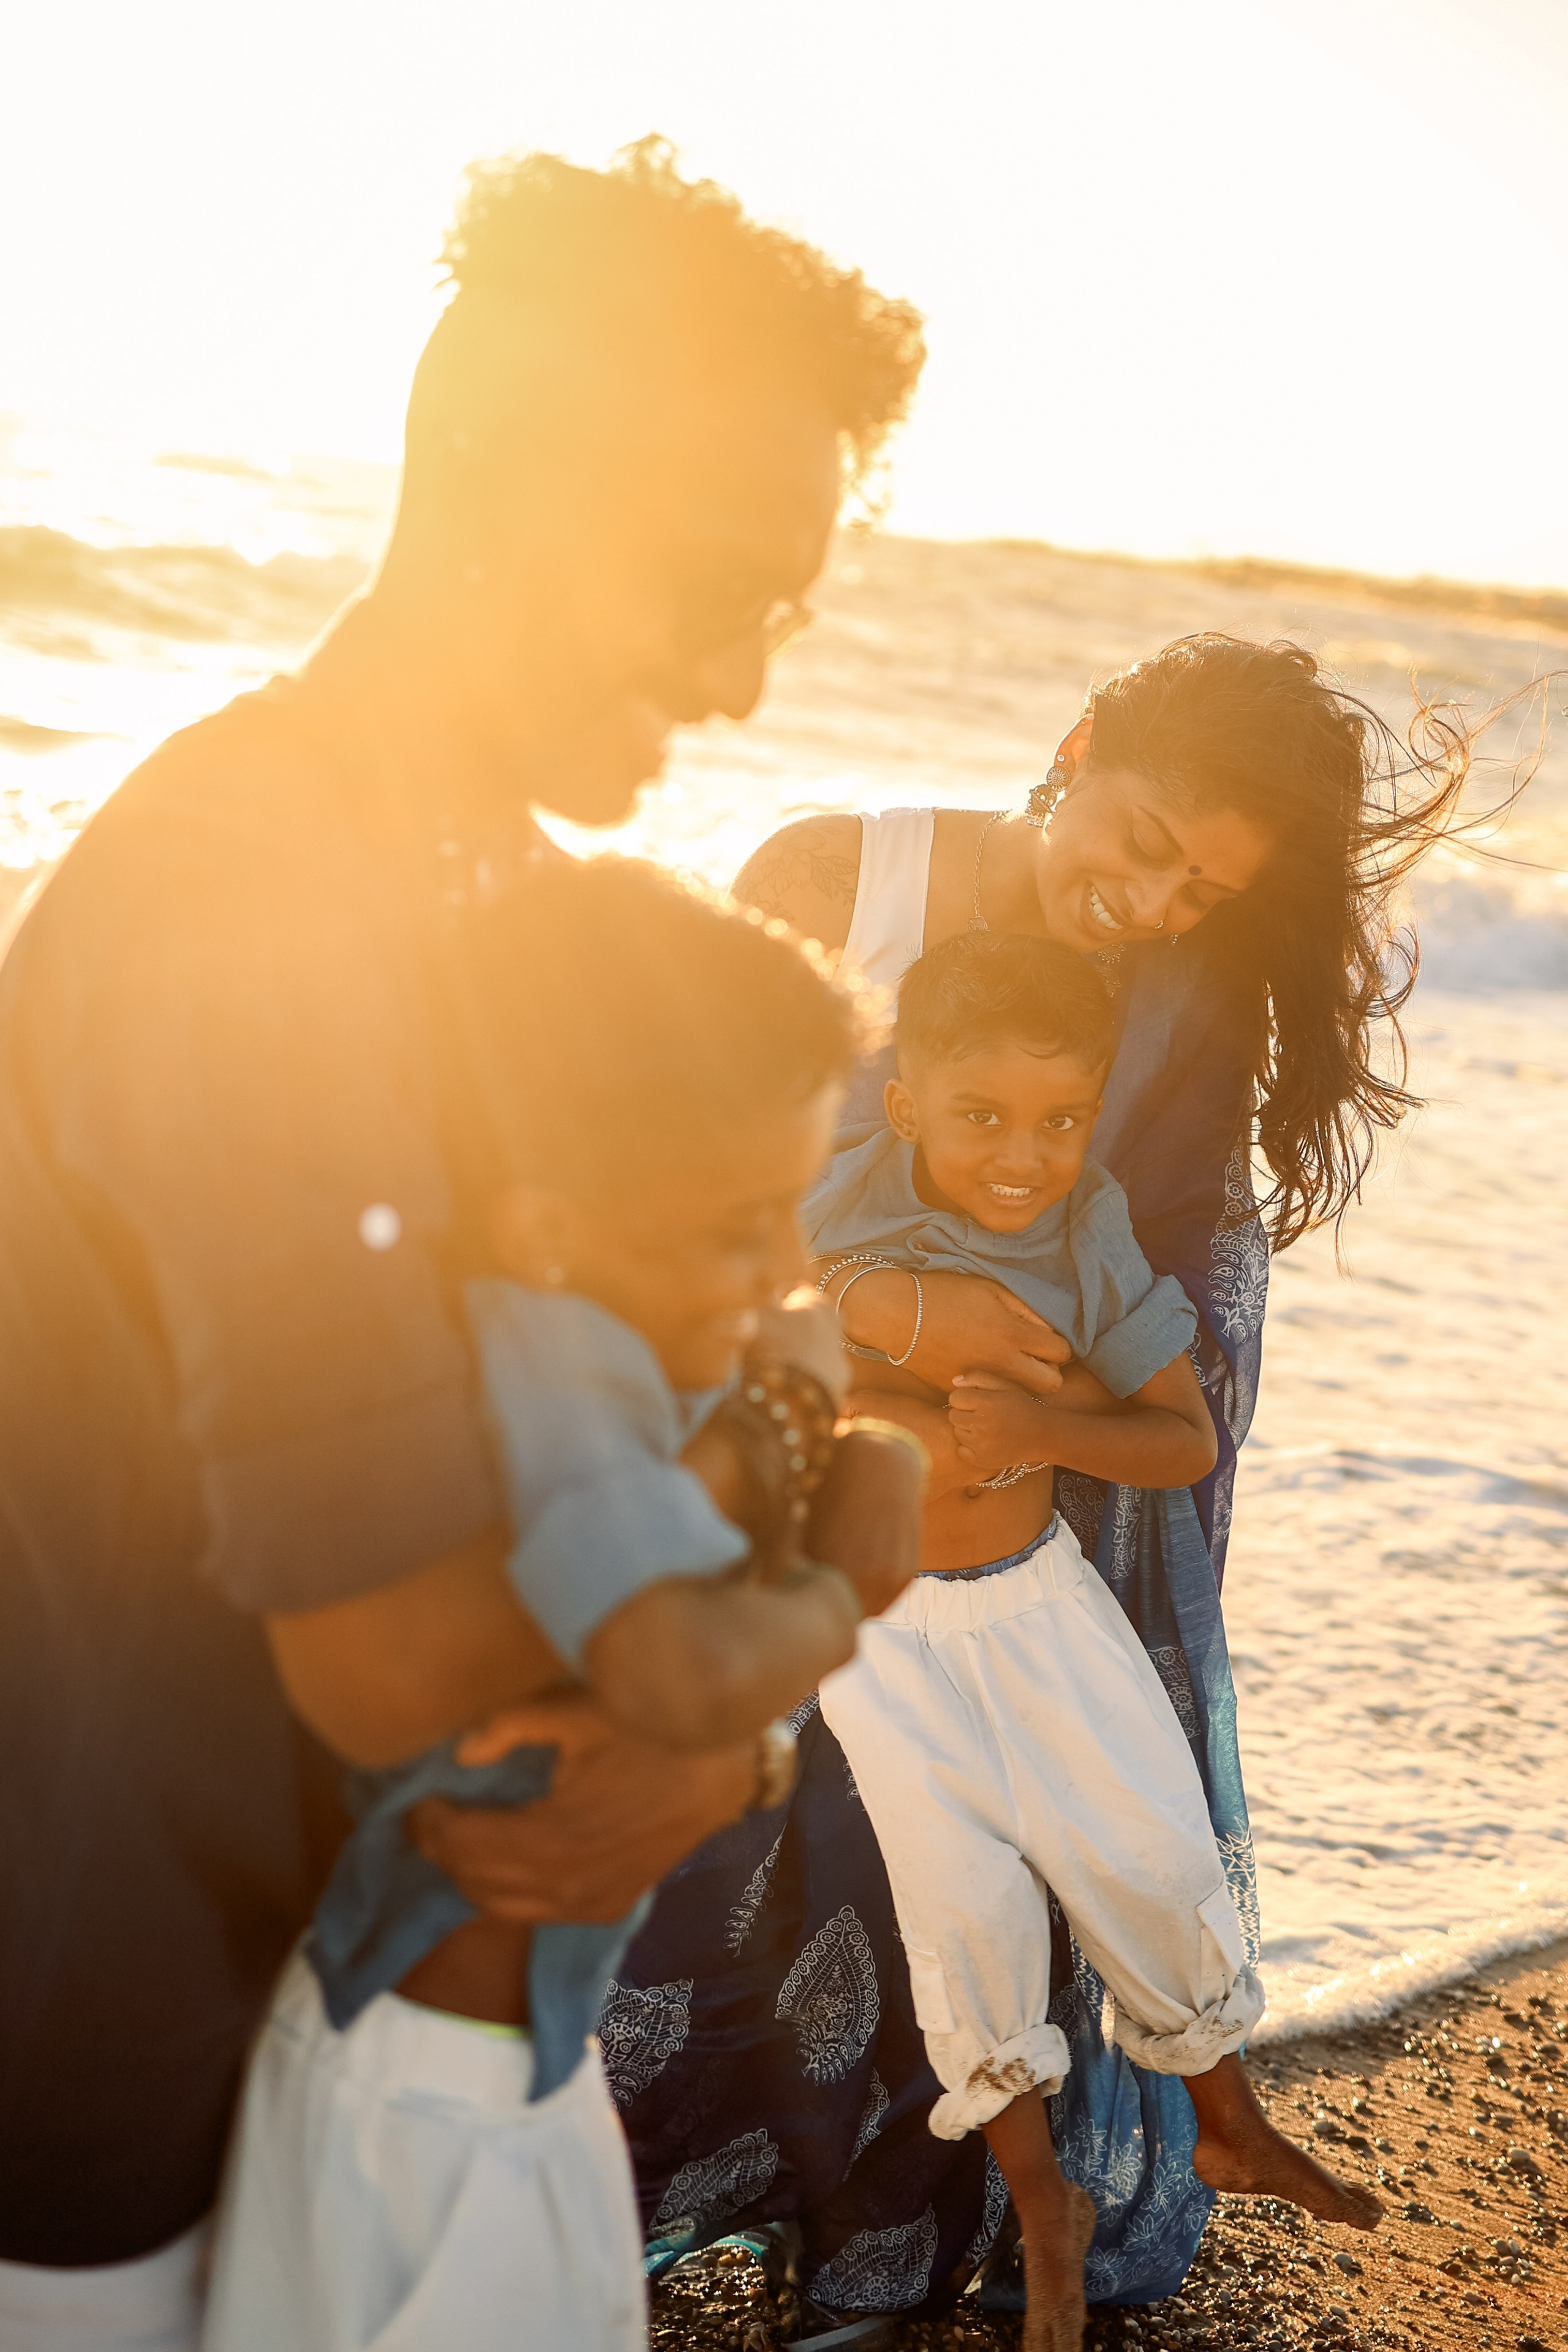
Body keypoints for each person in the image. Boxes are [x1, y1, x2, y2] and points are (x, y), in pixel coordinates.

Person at [0, 140, 924, 2348]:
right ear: (505, 479)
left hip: (337, 1974)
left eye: (790, 605)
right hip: (105, 2023)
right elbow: (397, 1659)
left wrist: (747, 1645)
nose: (745, 678)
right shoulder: (252, 908)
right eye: (717, 581)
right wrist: (756, 1665)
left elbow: (789, 1329)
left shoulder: (502, 887)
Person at [613, 633, 1477, 2326]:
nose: (1149, 903)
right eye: (1145, 842)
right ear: (1078, 746)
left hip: (978, 1540)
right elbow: (667, 1182)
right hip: (748, 1447)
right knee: (677, 1844)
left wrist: (993, 1416)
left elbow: (1149, 1306)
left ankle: (885, 2235)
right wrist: (872, 1354)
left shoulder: (1188, 992)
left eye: (1201, 890)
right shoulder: (832, 876)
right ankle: (558, 2200)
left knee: (946, 1874)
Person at [202, 859, 922, 2352]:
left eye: (795, 1209)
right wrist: (842, 1595)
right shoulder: (559, 1371)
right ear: (539, 1227)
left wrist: (863, 1454)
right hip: (423, 2089)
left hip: (505, 2055)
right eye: (739, 1227)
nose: (789, 1270)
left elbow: (825, 1443)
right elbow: (673, 1668)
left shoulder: (633, 1324)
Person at [810, 928, 1382, 2352]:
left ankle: (1229, 2126)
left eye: (1061, 1120)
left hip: (1033, 1606)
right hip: (875, 1639)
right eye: (983, 1118)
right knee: (960, 1919)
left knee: (1146, 1853)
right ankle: (1042, 2205)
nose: (1023, 1155)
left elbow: (1175, 1433)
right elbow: (739, 1298)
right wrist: (881, 1319)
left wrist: (1042, 1426)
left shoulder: (1087, 1227)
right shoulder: (844, 1193)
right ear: (906, 1105)